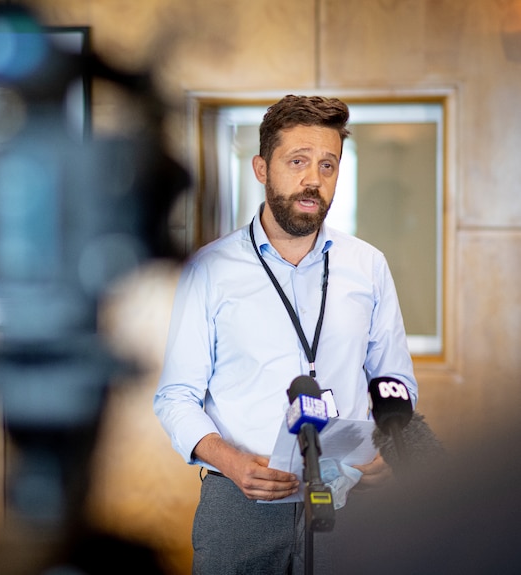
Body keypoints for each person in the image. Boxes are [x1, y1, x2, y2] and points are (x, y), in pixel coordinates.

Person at [153, 95, 418, 574]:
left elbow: (394, 379)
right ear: (261, 167)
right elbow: (175, 396)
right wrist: (232, 463)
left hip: (351, 495)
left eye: (328, 164)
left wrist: (391, 444)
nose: (313, 179)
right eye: (297, 161)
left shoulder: (368, 266)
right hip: (240, 500)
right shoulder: (209, 269)